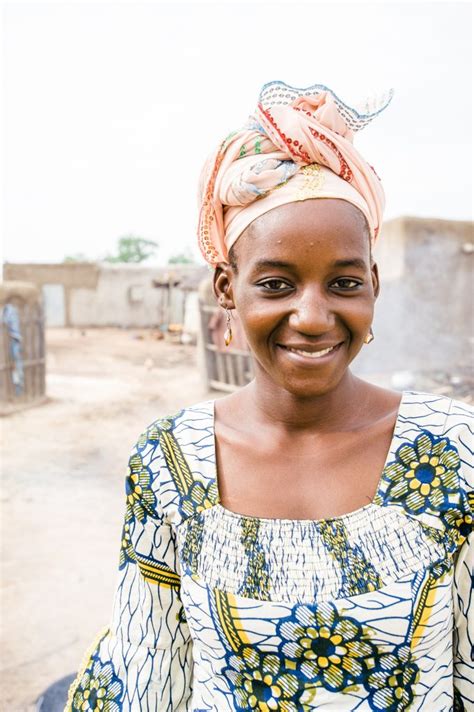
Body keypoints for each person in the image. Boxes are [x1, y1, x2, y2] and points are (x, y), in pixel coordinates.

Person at [66, 81, 473, 711]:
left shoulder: (452, 451)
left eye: (342, 282)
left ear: (372, 285)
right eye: (277, 283)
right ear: (228, 288)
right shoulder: (173, 464)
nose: (312, 316)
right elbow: (147, 674)